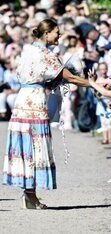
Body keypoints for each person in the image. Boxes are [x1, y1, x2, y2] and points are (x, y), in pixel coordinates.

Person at [2, 19, 89, 209]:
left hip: (22, 98)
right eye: (56, 32)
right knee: (35, 146)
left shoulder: (28, 50)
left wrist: (52, 83)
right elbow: (71, 77)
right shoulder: (45, 54)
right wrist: (94, 84)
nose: (59, 35)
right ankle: (31, 196)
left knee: (26, 147)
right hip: (35, 100)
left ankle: (29, 193)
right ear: (47, 33)